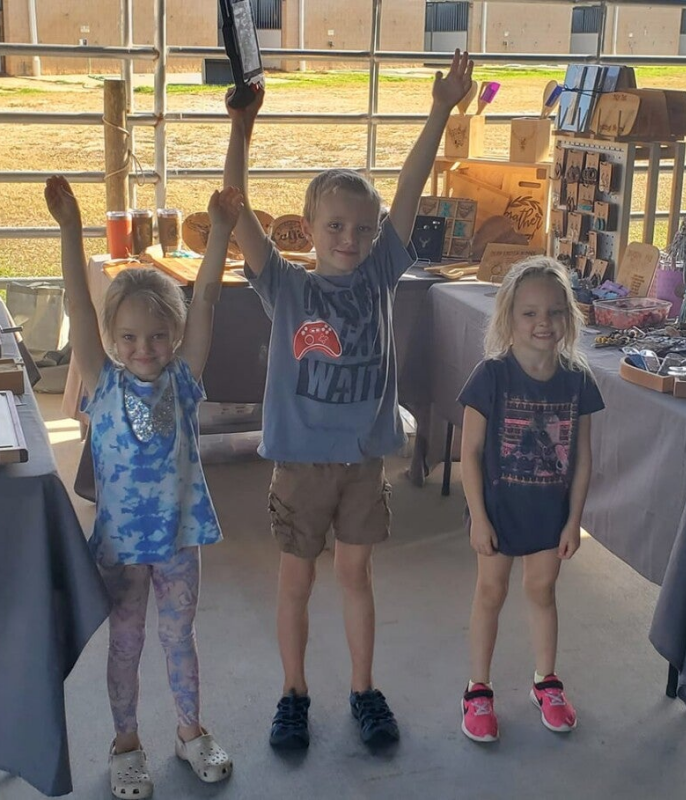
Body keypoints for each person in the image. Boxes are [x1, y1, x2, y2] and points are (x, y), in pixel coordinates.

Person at [223, 51, 474, 749]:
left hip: (363, 462)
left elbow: (410, 189)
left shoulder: (380, 274)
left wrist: (440, 110)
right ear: (308, 228)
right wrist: (241, 130)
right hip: (301, 466)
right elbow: (237, 212)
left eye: (363, 228)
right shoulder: (288, 288)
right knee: (296, 581)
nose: (351, 239)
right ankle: (293, 693)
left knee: (356, 575)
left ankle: (364, 689)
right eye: (335, 226)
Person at [45, 175, 242, 798]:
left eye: (157, 336)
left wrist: (220, 233)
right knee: (125, 644)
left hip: (180, 539)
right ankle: (125, 743)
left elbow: (205, 301)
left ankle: (189, 731)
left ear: (174, 336)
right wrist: (71, 230)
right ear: (112, 339)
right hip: (121, 548)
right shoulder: (102, 382)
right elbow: (80, 306)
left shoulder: (183, 379)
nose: (144, 348)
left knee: (180, 638)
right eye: (129, 337)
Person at [457, 256, 605, 743]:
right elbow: (470, 453)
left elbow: (582, 457)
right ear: (509, 317)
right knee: (490, 593)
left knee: (542, 591)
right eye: (530, 312)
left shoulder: (578, 379)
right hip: (498, 512)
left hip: (550, 514)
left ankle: (546, 681)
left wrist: (573, 520)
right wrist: (479, 518)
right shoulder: (490, 376)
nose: (544, 322)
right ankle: (478, 688)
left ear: (569, 316)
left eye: (555, 311)